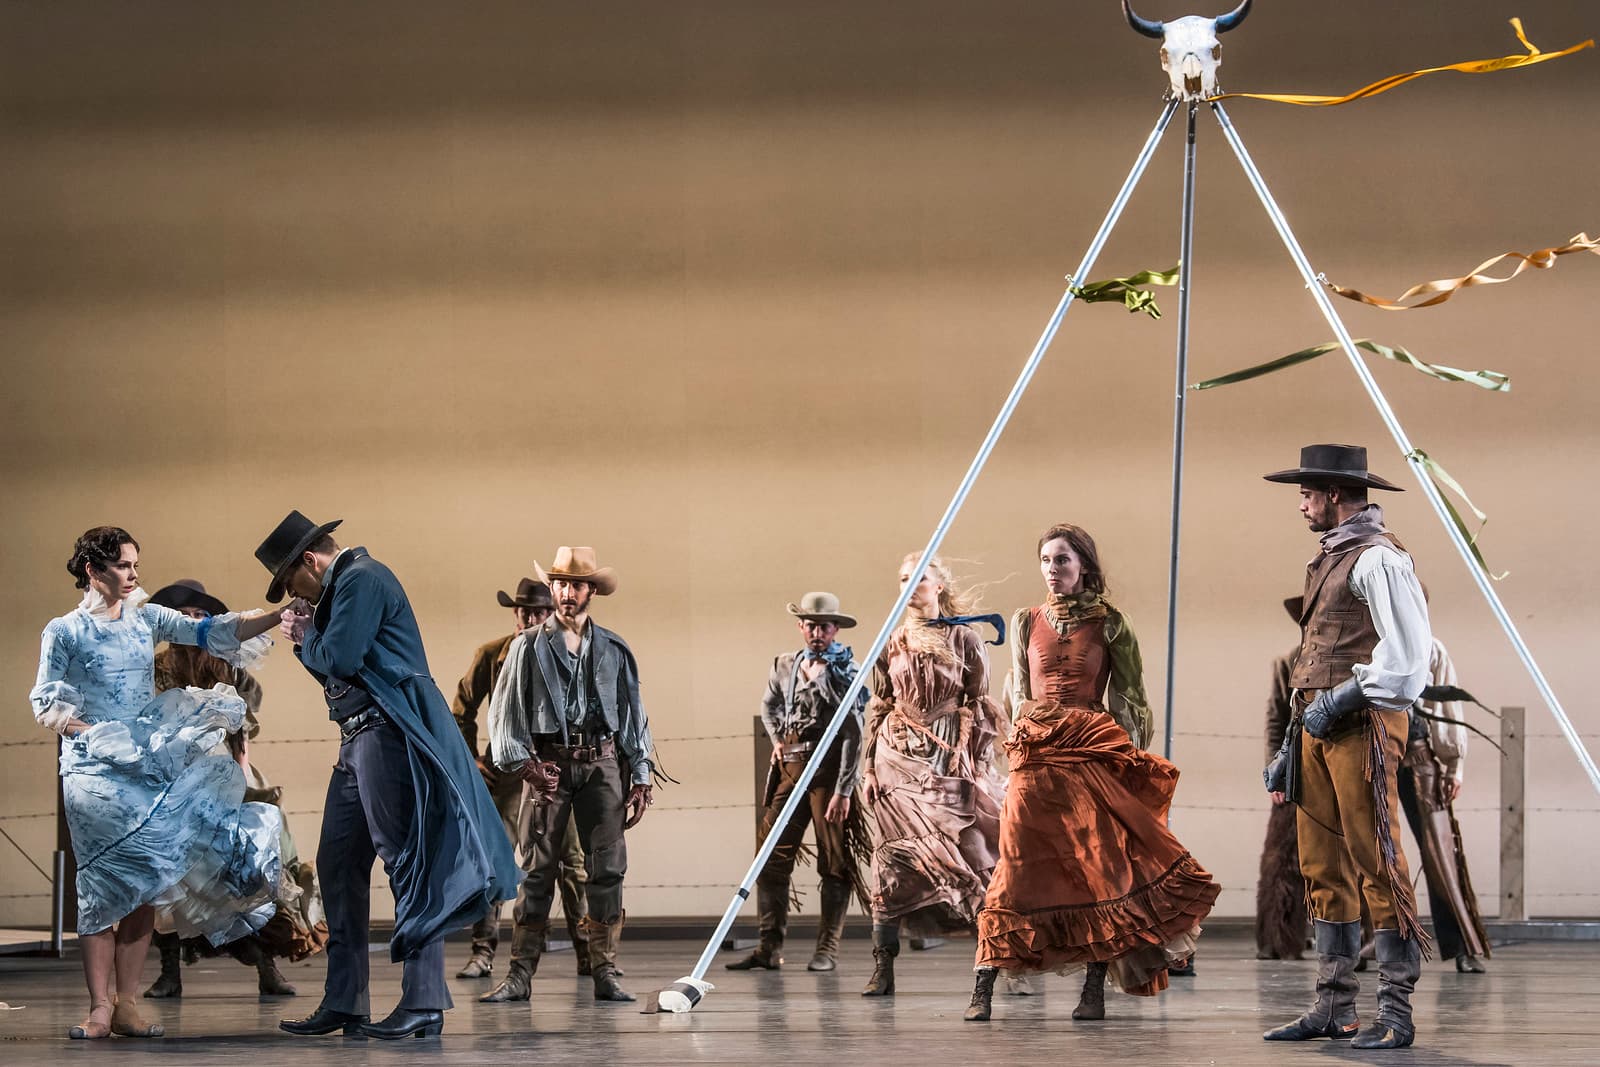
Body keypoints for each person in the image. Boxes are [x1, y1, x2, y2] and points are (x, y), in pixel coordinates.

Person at [260, 511, 520, 1040]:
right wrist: (308, 639)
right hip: (358, 736)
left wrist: (307, 633)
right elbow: (336, 667)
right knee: (338, 864)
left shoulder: (362, 578)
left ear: (310, 561)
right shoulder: (343, 589)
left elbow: (340, 655)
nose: (297, 594)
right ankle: (345, 1000)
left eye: (292, 583)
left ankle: (424, 1000)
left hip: (386, 732)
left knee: (406, 860)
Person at [29, 527, 284, 1040]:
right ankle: (99, 1007)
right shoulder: (65, 631)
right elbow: (47, 702)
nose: (133, 575)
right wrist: (97, 733)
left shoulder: (146, 619)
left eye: (135, 566)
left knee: (145, 878)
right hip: (94, 769)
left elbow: (217, 630)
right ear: (92, 571)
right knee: (101, 883)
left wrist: (282, 612)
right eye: (122, 566)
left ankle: (127, 1003)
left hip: (145, 762)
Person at [963, 524, 1219, 1023]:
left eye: (1062, 560)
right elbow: (1018, 687)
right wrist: (1019, 745)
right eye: (1045, 560)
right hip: (1037, 753)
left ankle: (1093, 988)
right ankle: (983, 986)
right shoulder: (1024, 620)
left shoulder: (1112, 623)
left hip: (1089, 749)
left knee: (1096, 869)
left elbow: (1131, 696)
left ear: (1084, 565)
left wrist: (1124, 755)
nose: (1052, 570)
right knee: (1013, 868)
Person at [1261, 445, 1432, 1050]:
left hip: (1361, 727)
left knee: (1376, 859)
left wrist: (1346, 699)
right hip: (1317, 728)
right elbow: (1310, 666)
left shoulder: (1378, 561)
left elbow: (1409, 659)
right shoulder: (1331, 560)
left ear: (1335, 493)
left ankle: (1396, 1010)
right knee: (1321, 867)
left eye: (1308, 492)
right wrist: (1291, 740)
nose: (1302, 503)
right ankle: (1334, 1006)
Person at [486, 546, 661, 1003]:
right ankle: (520, 974)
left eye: (575, 585)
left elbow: (633, 713)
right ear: (552, 588)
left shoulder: (614, 649)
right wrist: (525, 766)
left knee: (607, 869)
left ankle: (605, 968)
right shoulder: (526, 647)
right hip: (548, 765)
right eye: (560, 584)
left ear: (590, 592)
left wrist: (640, 774)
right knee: (537, 869)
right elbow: (504, 715)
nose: (566, 593)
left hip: (602, 765)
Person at [142, 579, 328, 1001]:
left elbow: (241, 729)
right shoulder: (155, 670)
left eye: (197, 614)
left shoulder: (227, 665)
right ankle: (170, 971)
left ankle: (267, 965)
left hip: (224, 768)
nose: (190, 620)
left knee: (256, 860)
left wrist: (242, 774)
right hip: (173, 778)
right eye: (182, 614)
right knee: (172, 875)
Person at [860, 553, 1004, 997]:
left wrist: (974, 760)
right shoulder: (893, 639)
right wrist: (868, 767)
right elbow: (881, 703)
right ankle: (883, 969)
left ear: (938, 585)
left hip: (947, 755)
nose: (908, 586)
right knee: (890, 862)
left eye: (918, 578)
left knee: (972, 856)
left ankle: (988, 979)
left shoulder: (964, 638)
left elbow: (978, 702)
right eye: (902, 579)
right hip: (895, 758)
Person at [452, 578, 596, 991]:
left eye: (538, 611)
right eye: (524, 612)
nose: (530, 618)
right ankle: (483, 951)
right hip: (508, 773)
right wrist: (472, 758)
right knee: (494, 859)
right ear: (516, 613)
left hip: (556, 773)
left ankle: (588, 953)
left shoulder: (569, 652)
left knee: (573, 863)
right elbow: (461, 707)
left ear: (550, 612)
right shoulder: (493, 654)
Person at [725, 592, 868, 973]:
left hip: (828, 769)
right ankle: (768, 948)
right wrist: (775, 740)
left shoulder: (848, 670)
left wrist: (844, 789)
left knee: (834, 859)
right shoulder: (785, 664)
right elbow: (768, 704)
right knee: (770, 856)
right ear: (800, 627)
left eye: (824, 626)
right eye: (810, 625)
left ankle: (828, 948)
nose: (816, 632)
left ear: (835, 629)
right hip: (790, 764)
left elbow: (855, 731)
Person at [1257, 596, 1308, 961]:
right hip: (1295, 767)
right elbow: (1276, 720)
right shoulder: (1288, 662)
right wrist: (1275, 772)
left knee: (1353, 857)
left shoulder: (1355, 661)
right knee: (1282, 856)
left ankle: (1359, 944)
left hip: (1341, 765)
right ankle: (1278, 939)